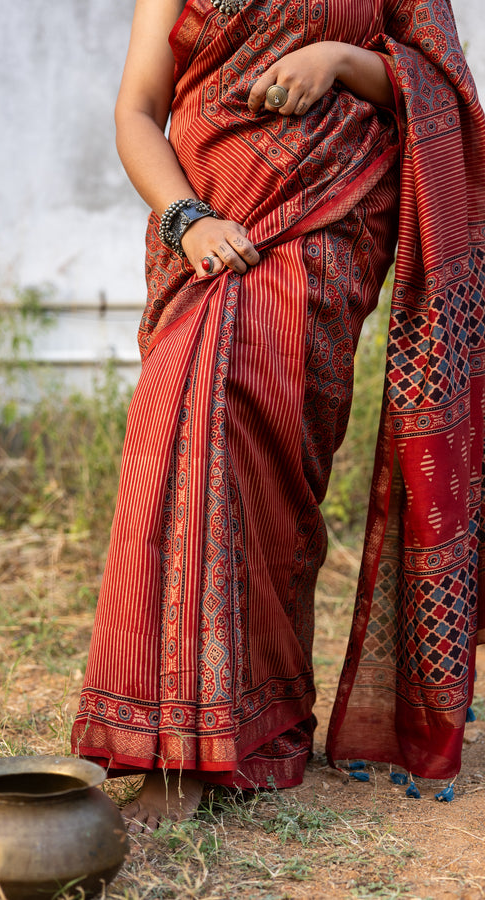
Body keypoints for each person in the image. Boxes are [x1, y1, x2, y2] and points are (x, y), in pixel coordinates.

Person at [72, 0, 485, 833]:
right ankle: (179, 732)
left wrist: (338, 57)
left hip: (327, 222)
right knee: (173, 433)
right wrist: (187, 219)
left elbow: (441, 90)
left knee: (259, 460)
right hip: (202, 228)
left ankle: (239, 727)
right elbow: (137, 111)